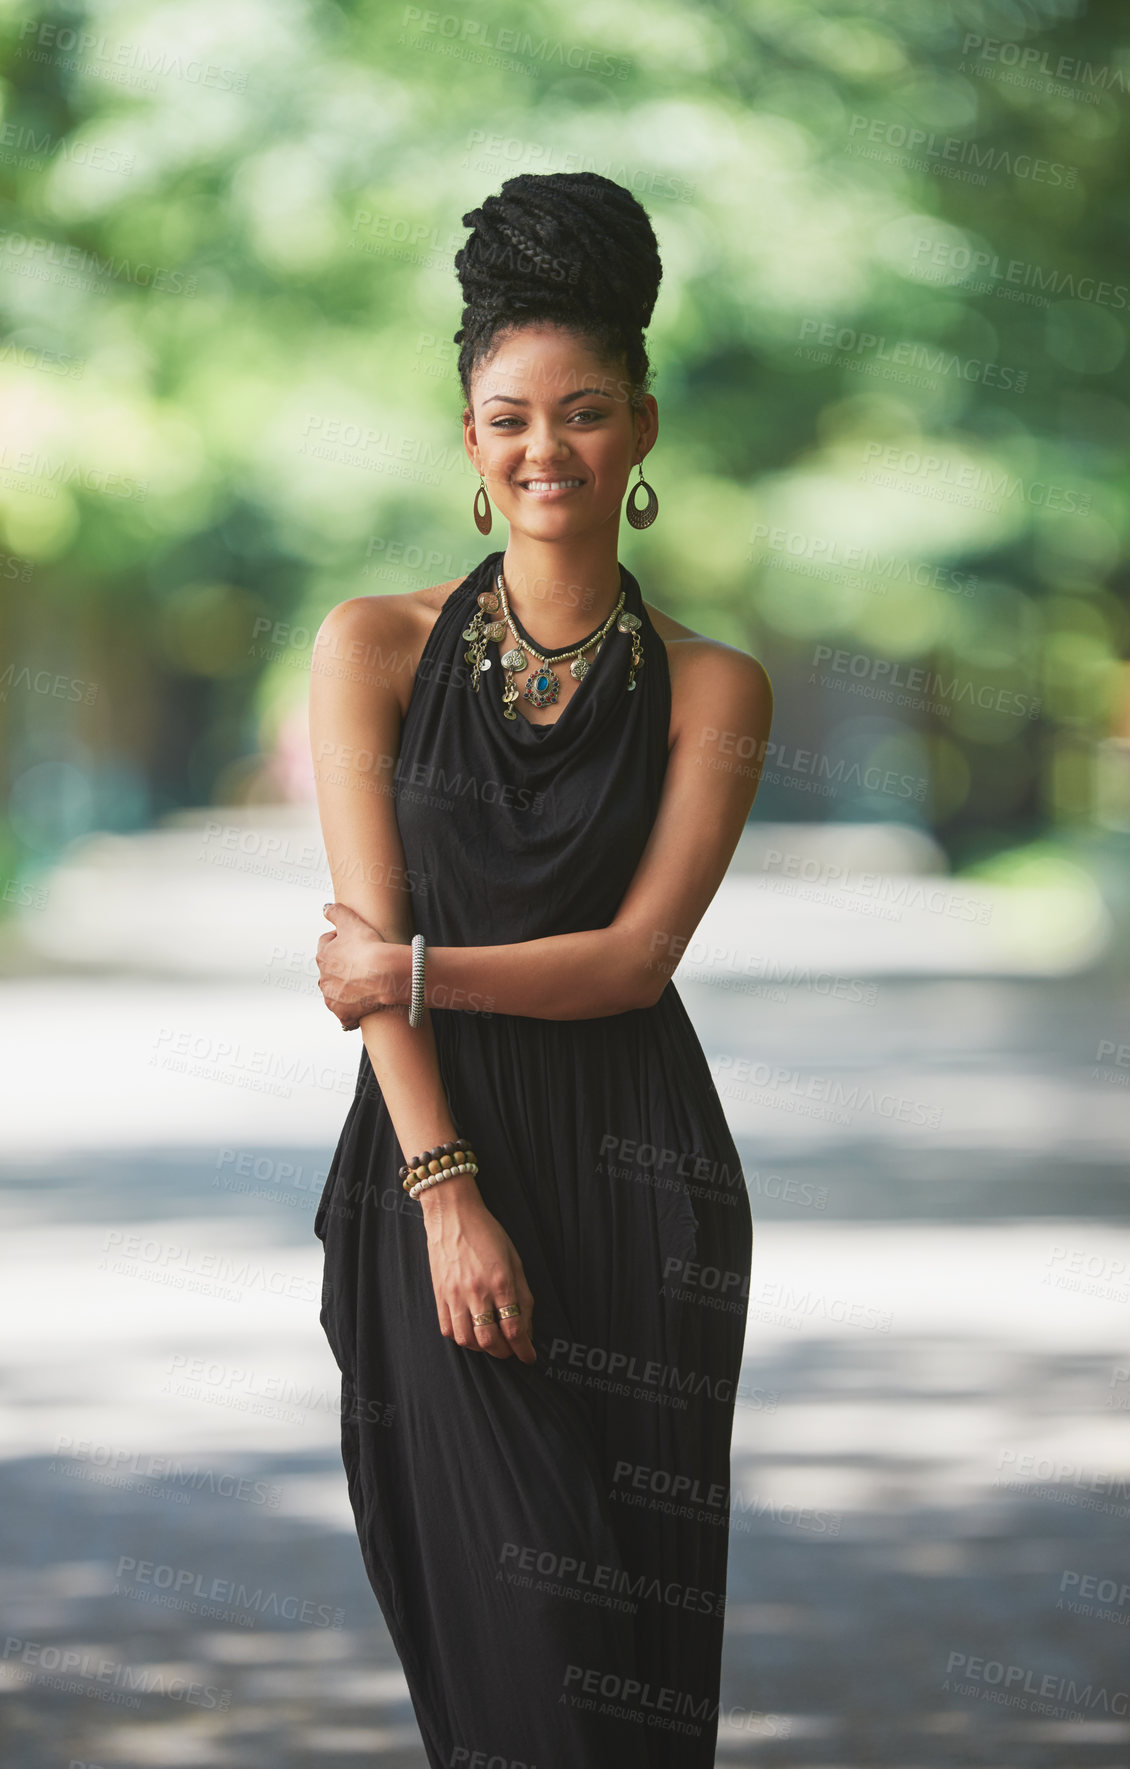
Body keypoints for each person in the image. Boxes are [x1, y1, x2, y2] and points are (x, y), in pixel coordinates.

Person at [309, 171, 773, 1769]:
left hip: (642, 1192)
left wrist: (415, 968)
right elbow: (364, 952)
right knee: (531, 1668)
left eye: (583, 414)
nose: (544, 450)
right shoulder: (369, 647)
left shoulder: (719, 686)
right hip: (432, 1176)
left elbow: (635, 961)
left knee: (634, 1677)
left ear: (640, 430)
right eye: (508, 416)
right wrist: (445, 1193)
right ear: (467, 440)